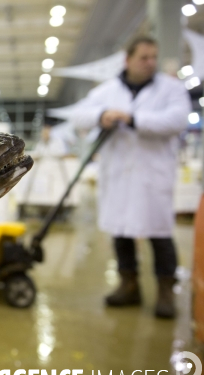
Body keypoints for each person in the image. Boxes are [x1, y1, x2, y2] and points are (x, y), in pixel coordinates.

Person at [72, 36, 191, 319]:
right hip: (119, 176)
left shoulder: (171, 88)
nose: (150, 63)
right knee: (121, 233)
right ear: (128, 60)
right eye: (144, 58)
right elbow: (79, 115)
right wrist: (102, 115)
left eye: (153, 57)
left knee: (159, 234)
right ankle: (129, 285)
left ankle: (165, 290)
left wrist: (133, 119)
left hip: (153, 176)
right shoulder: (108, 91)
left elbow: (177, 120)